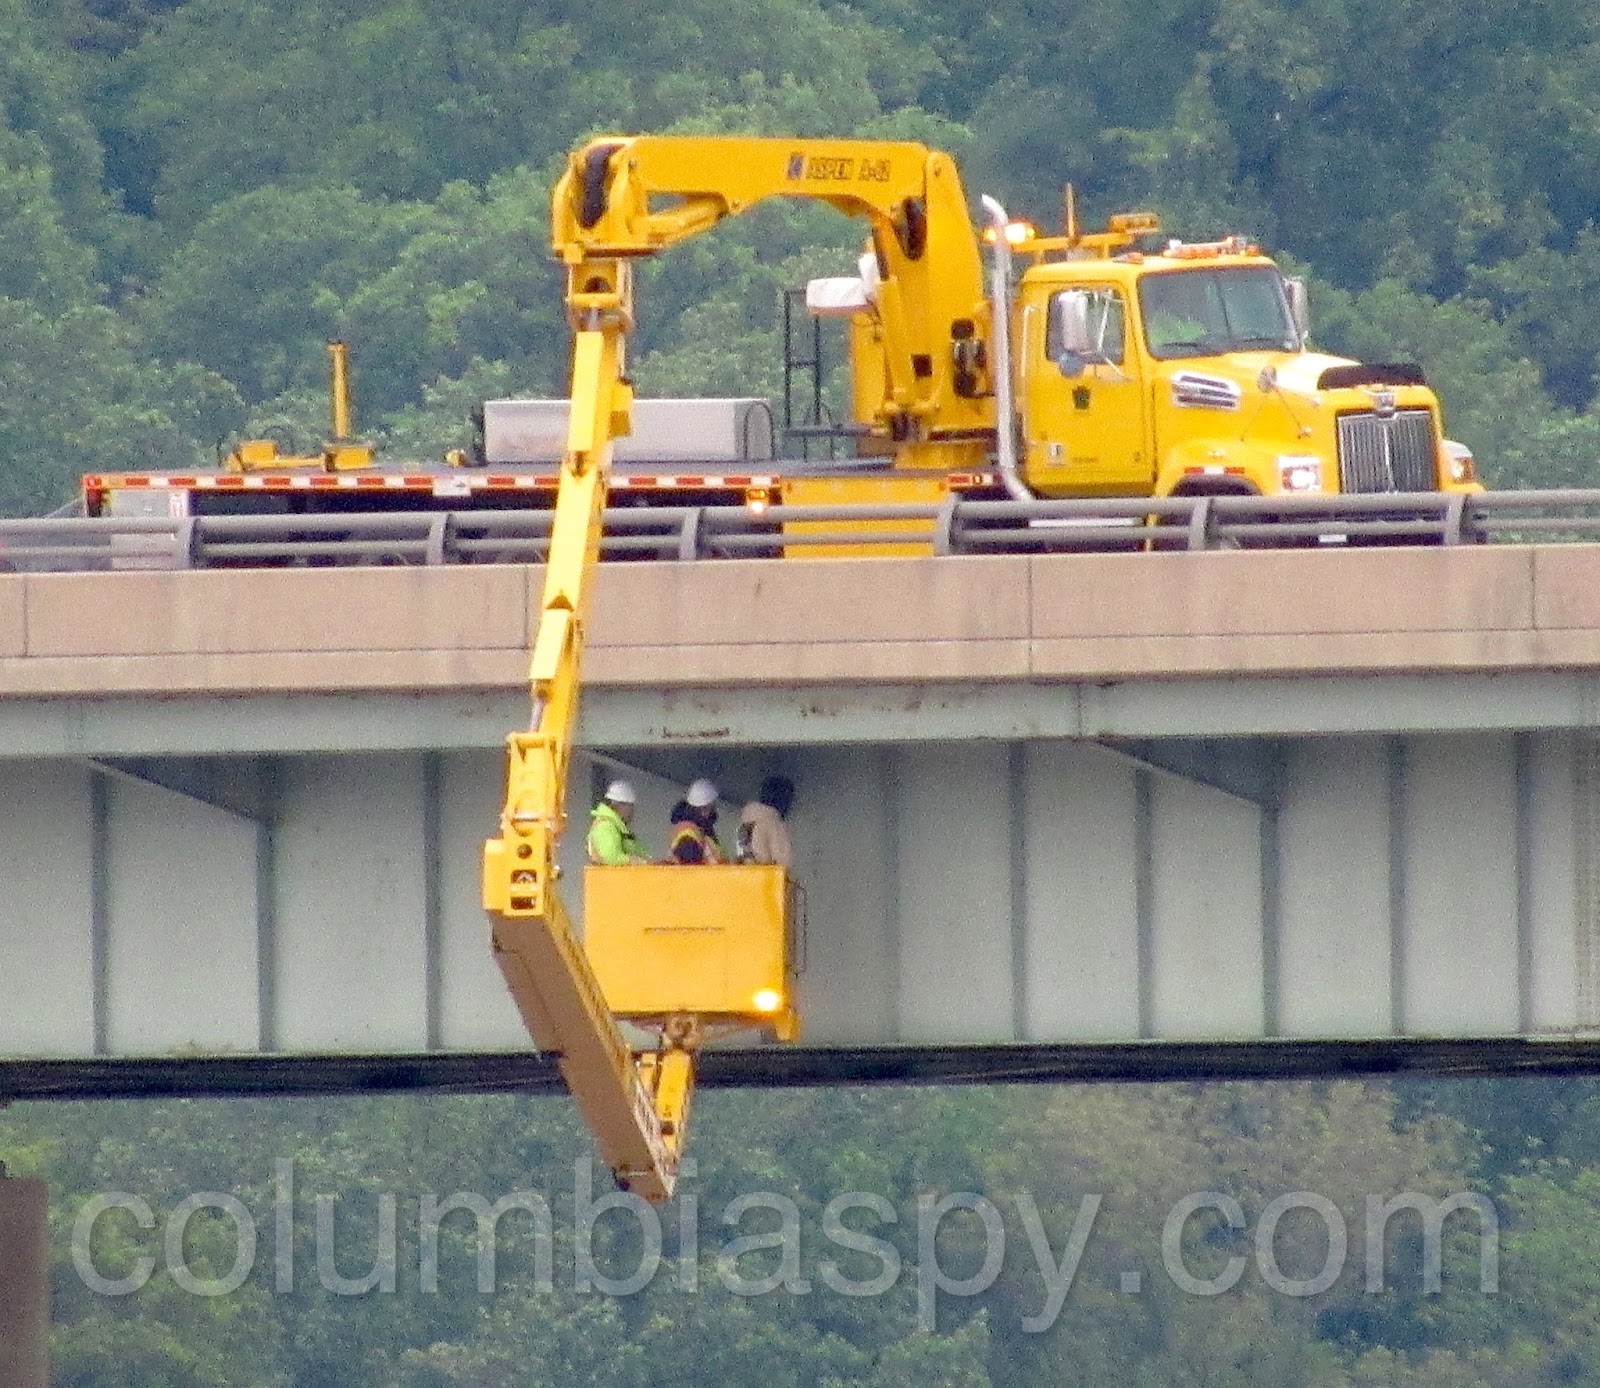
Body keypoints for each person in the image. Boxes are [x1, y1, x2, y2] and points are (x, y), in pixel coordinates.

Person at [737, 775, 795, 867]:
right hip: (767, 874)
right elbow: (782, 861)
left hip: (745, 873)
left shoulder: (745, 822)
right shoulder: (773, 822)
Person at [587, 779, 647, 865]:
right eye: (630, 806)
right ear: (618, 805)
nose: (632, 811)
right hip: (607, 874)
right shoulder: (605, 826)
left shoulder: (618, 827)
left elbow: (638, 852)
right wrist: (632, 860)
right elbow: (611, 858)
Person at [667, 777, 724, 864]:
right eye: (713, 806)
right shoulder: (688, 835)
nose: (715, 810)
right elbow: (690, 867)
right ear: (705, 808)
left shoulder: (702, 831)